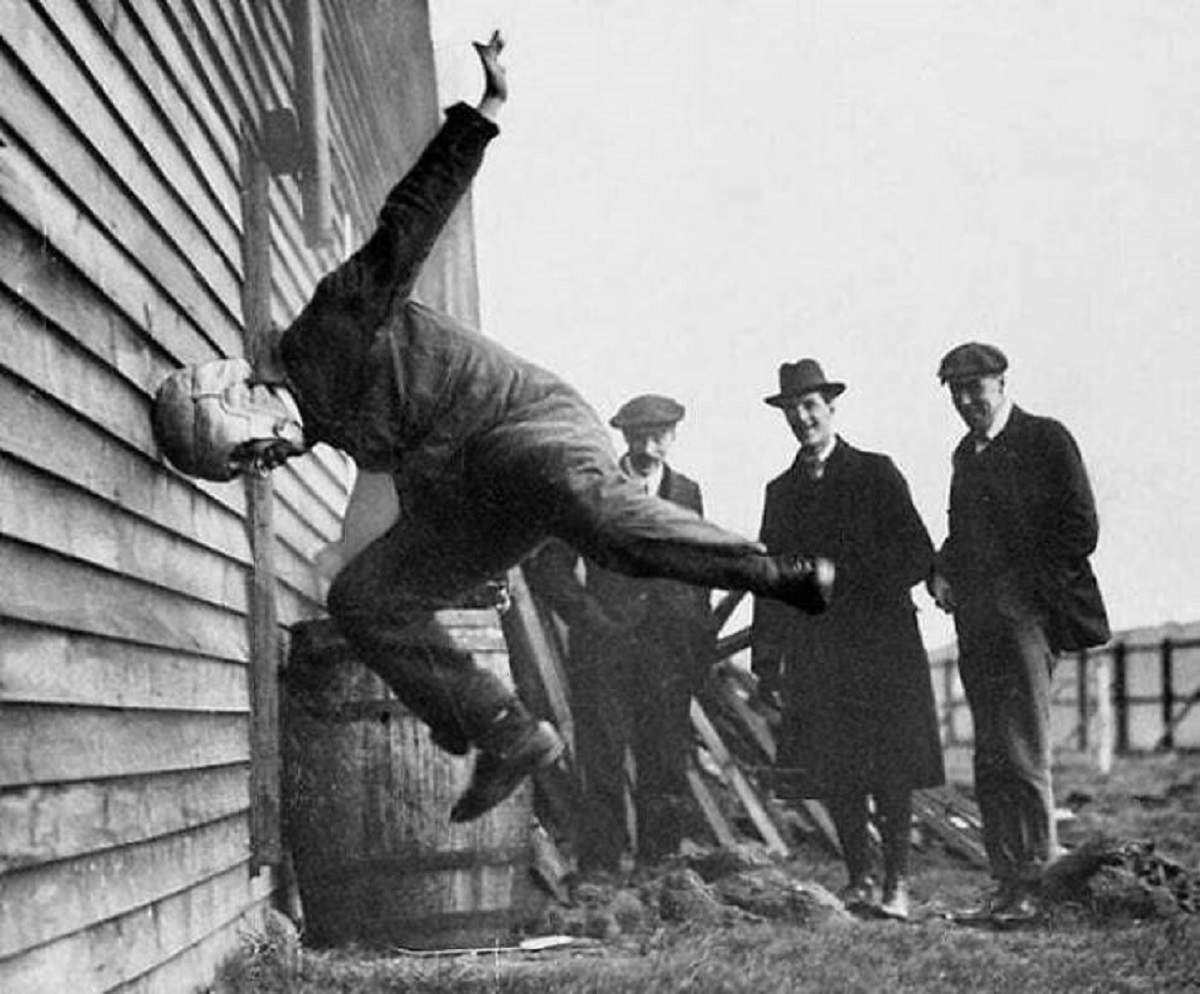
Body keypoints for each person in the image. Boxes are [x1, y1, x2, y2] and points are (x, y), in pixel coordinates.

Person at [150, 33, 833, 826]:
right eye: (249, 470)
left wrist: (485, 110)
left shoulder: (329, 326)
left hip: (527, 425)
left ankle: (772, 572)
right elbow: (389, 485)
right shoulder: (323, 418)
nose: (264, 463)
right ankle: (506, 733)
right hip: (470, 487)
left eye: (249, 450)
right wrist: (438, 672)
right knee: (363, 596)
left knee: (594, 524)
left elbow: (412, 217)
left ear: (243, 396)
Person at [751, 359, 945, 921]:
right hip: (817, 648)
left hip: (881, 641)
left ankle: (897, 885)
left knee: (890, 766)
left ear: (832, 409)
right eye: (792, 410)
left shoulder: (876, 473)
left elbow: (916, 553)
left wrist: (845, 579)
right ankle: (859, 878)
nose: (803, 418)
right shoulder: (781, 491)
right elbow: (772, 580)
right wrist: (767, 661)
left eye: (811, 406)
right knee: (835, 764)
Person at [928, 342, 1110, 926]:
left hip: (1027, 620)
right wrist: (942, 569)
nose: (965, 400)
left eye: (974, 388)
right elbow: (964, 535)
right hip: (976, 623)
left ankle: (1036, 879)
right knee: (988, 755)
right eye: (955, 391)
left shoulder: (1045, 439)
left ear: (1002, 383)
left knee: (1022, 749)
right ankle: (1005, 882)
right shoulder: (965, 453)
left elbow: (1080, 527)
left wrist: (1025, 595)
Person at [525, 395, 717, 874]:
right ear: (623, 438)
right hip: (604, 649)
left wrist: (696, 632)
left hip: (668, 654)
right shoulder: (593, 490)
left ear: (674, 436)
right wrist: (590, 617)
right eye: (639, 437)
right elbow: (549, 566)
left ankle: (661, 877)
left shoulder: (687, 492)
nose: (649, 447)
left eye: (659, 436)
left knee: (665, 764)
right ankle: (600, 877)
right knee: (604, 763)